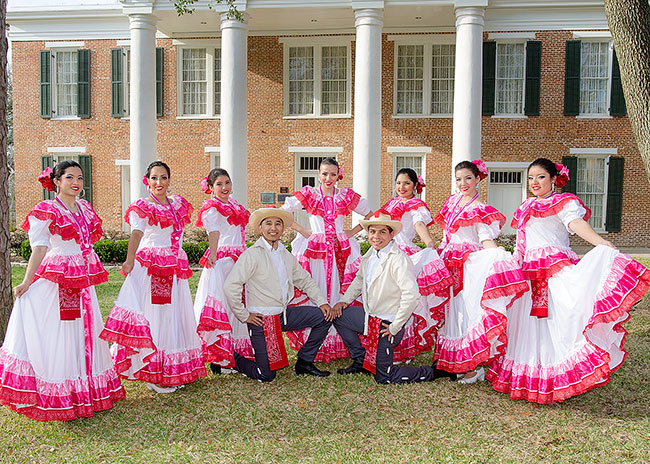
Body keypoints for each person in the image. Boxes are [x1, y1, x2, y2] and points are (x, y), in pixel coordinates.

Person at [488, 158, 650, 404]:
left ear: (554, 179)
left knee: (559, 320)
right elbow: (522, 243)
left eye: (541, 176)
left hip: (555, 268)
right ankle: (535, 377)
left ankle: (557, 378)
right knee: (529, 327)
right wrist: (513, 265)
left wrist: (600, 242)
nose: (534, 182)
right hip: (528, 273)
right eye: (531, 177)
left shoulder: (563, 202)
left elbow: (575, 224)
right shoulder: (525, 207)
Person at [0, 161, 125, 421]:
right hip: (58, 278)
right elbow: (40, 248)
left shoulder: (85, 208)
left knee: (84, 333)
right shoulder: (46, 210)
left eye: (79, 177)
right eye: (69, 177)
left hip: (82, 279)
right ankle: (61, 391)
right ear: (56, 181)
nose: (76, 182)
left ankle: (83, 391)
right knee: (61, 334)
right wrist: (26, 282)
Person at [100, 161, 206, 393]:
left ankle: (171, 367)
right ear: (146, 180)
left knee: (174, 314)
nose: (159, 182)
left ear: (169, 180)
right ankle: (151, 369)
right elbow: (137, 233)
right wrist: (129, 259)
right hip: (153, 265)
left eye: (164, 177)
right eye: (155, 178)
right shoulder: (142, 206)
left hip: (173, 264)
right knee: (156, 313)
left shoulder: (177, 203)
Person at [331, 211, 455, 384]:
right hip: (369, 318)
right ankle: (360, 359)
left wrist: (395, 326)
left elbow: (411, 296)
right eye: (372, 231)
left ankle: (433, 371)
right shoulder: (370, 255)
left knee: (384, 378)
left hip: (386, 326)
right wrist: (343, 301)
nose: (376, 236)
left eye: (382, 232)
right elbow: (359, 280)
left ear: (391, 234)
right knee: (338, 315)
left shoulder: (399, 259)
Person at [434, 160, 527, 384]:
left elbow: (485, 239)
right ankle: (455, 362)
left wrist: (497, 258)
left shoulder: (480, 209)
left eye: (468, 178)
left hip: (470, 265)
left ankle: (473, 368)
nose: (463, 183)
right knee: (452, 311)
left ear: (478, 179)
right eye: (458, 179)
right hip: (449, 261)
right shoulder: (452, 202)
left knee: (469, 311)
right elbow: (447, 235)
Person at [223, 207, 335, 382]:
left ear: (283, 229)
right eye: (268, 223)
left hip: (283, 315)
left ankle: (304, 361)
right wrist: (244, 315)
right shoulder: (252, 254)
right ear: (260, 228)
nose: (273, 228)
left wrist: (322, 303)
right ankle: (231, 359)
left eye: (278, 224)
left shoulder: (285, 254)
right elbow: (231, 285)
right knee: (266, 375)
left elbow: (304, 280)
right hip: (261, 319)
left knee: (324, 316)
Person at [281, 157, 372, 362]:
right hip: (316, 248)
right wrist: (303, 230)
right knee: (317, 289)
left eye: (332, 174)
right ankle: (317, 343)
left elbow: (370, 214)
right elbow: (284, 212)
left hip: (342, 248)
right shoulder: (309, 194)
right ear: (318, 174)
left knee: (340, 291)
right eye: (324, 174)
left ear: (338, 174)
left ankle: (340, 341)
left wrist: (352, 231)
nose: (328, 178)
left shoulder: (345, 195)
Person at [378, 168, 454, 361]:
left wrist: (429, 243)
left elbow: (419, 224)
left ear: (415, 186)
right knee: (388, 298)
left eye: (406, 183)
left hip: (404, 253)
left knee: (405, 299)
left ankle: (405, 348)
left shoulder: (416, 205)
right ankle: (387, 343)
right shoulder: (391, 203)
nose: (401, 187)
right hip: (386, 250)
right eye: (398, 183)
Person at [193, 168, 252, 374]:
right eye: (219, 184)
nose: (224, 187)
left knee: (238, 304)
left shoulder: (234, 204)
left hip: (239, 258)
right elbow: (214, 232)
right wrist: (213, 255)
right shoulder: (211, 207)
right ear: (210, 187)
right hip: (223, 260)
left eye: (227, 183)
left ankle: (234, 353)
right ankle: (218, 357)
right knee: (223, 304)